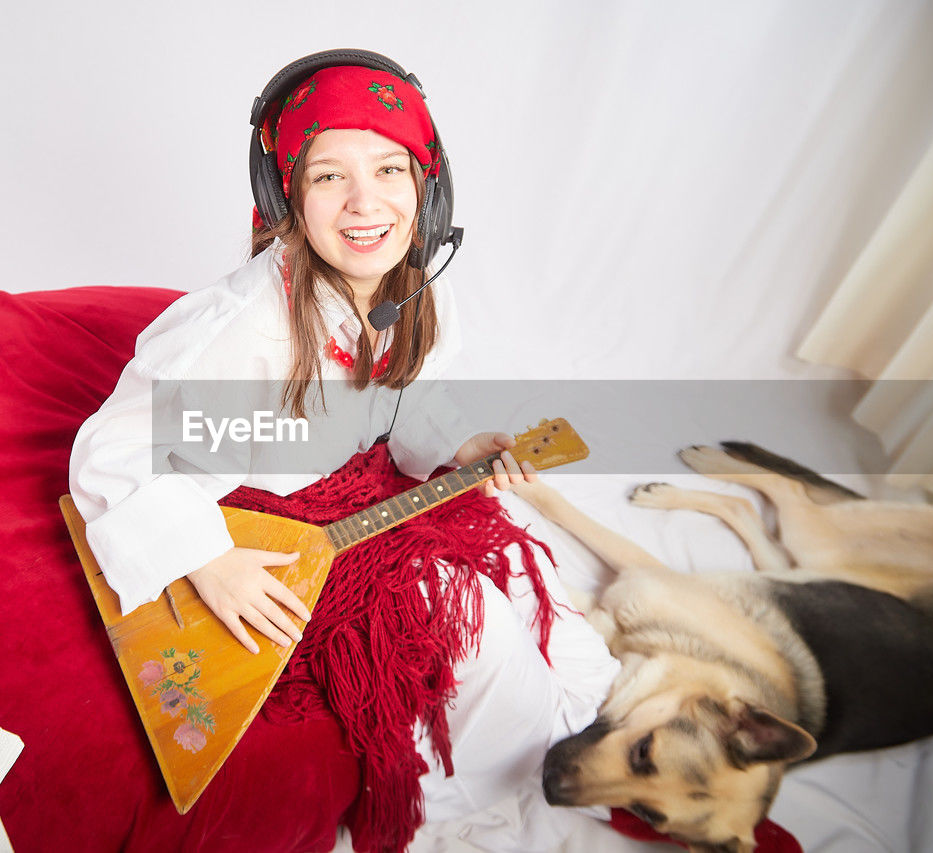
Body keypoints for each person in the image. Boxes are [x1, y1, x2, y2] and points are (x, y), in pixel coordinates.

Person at [69, 51, 617, 851]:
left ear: (427, 185)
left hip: (366, 488)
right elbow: (111, 455)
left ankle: (585, 718)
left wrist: (459, 443)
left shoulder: (415, 289)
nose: (367, 204)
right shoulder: (245, 331)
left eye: (390, 169)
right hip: (268, 525)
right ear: (285, 193)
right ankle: (531, 769)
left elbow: (408, 401)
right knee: (482, 634)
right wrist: (207, 558)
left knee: (553, 611)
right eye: (329, 176)